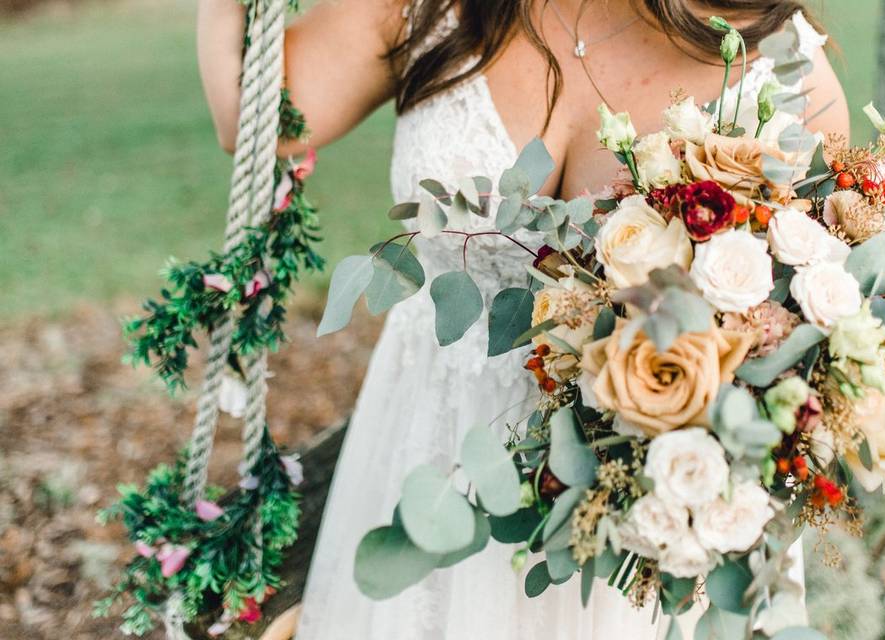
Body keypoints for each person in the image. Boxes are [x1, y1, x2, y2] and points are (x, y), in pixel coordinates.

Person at [197, 1, 849, 638]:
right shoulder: (429, 10)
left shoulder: (781, 72)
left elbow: (811, 345)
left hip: (636, 525)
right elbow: (252, 114)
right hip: (430, 460)